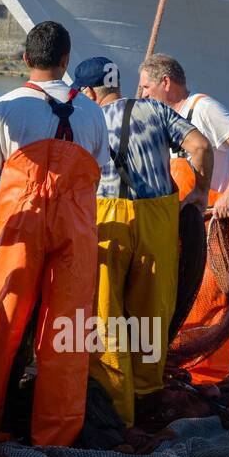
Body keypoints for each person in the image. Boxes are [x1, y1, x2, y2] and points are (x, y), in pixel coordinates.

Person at [0, 22, 108, 445]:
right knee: (68, 328)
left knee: (3, 317)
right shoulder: (92, 110)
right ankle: (57, 434)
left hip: (21, 224)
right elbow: (95, 174)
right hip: (77, 226)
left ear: (26, 58)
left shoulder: (3, 107)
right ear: (66, 61)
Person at [75, 56, 213, 426]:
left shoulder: (86, 118)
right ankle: (147, 400)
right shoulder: (156, 110)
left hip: (107, 223)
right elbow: (200, 146)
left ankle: (113, 407)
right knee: (151, 313)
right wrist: (200, 192)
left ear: (89, 92)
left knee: (106, 314)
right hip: (156, 222)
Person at [139, 53, 229, 383]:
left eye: (146, 87)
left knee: (212, 299)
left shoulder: (203, 108)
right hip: (176, 226)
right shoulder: (163, 117)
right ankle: (178, 370)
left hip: (210, 226)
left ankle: (210, 376)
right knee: (178, 300)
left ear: (166, 82)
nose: (142, 94)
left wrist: (227, 194)